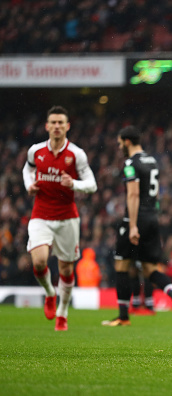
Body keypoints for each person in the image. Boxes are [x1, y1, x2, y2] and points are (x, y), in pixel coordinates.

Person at [102, 126, 172, 327]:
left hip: (136, 218)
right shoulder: (152, 161)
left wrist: (132, 226)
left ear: (127, 141)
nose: (119, 146)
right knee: (150, 269)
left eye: (120, 143)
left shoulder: (131, 163)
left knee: (121, 265)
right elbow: (155, 194)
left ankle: (123, 317)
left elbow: (132, 194)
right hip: (152, 218)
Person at [22, 105, 97, 331]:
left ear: (67, 126)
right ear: (47, 126)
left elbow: (92, 185)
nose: (56, 126)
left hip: (67, 217)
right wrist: (29, 185)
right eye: (53, 122)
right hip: (41, 214)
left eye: (60, 123)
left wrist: (73, 183)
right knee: (39, 262)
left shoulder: (76, 154)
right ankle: (49, 293)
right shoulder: (35, 151)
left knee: (66, 270)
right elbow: (27, 170)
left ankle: (62, 313)